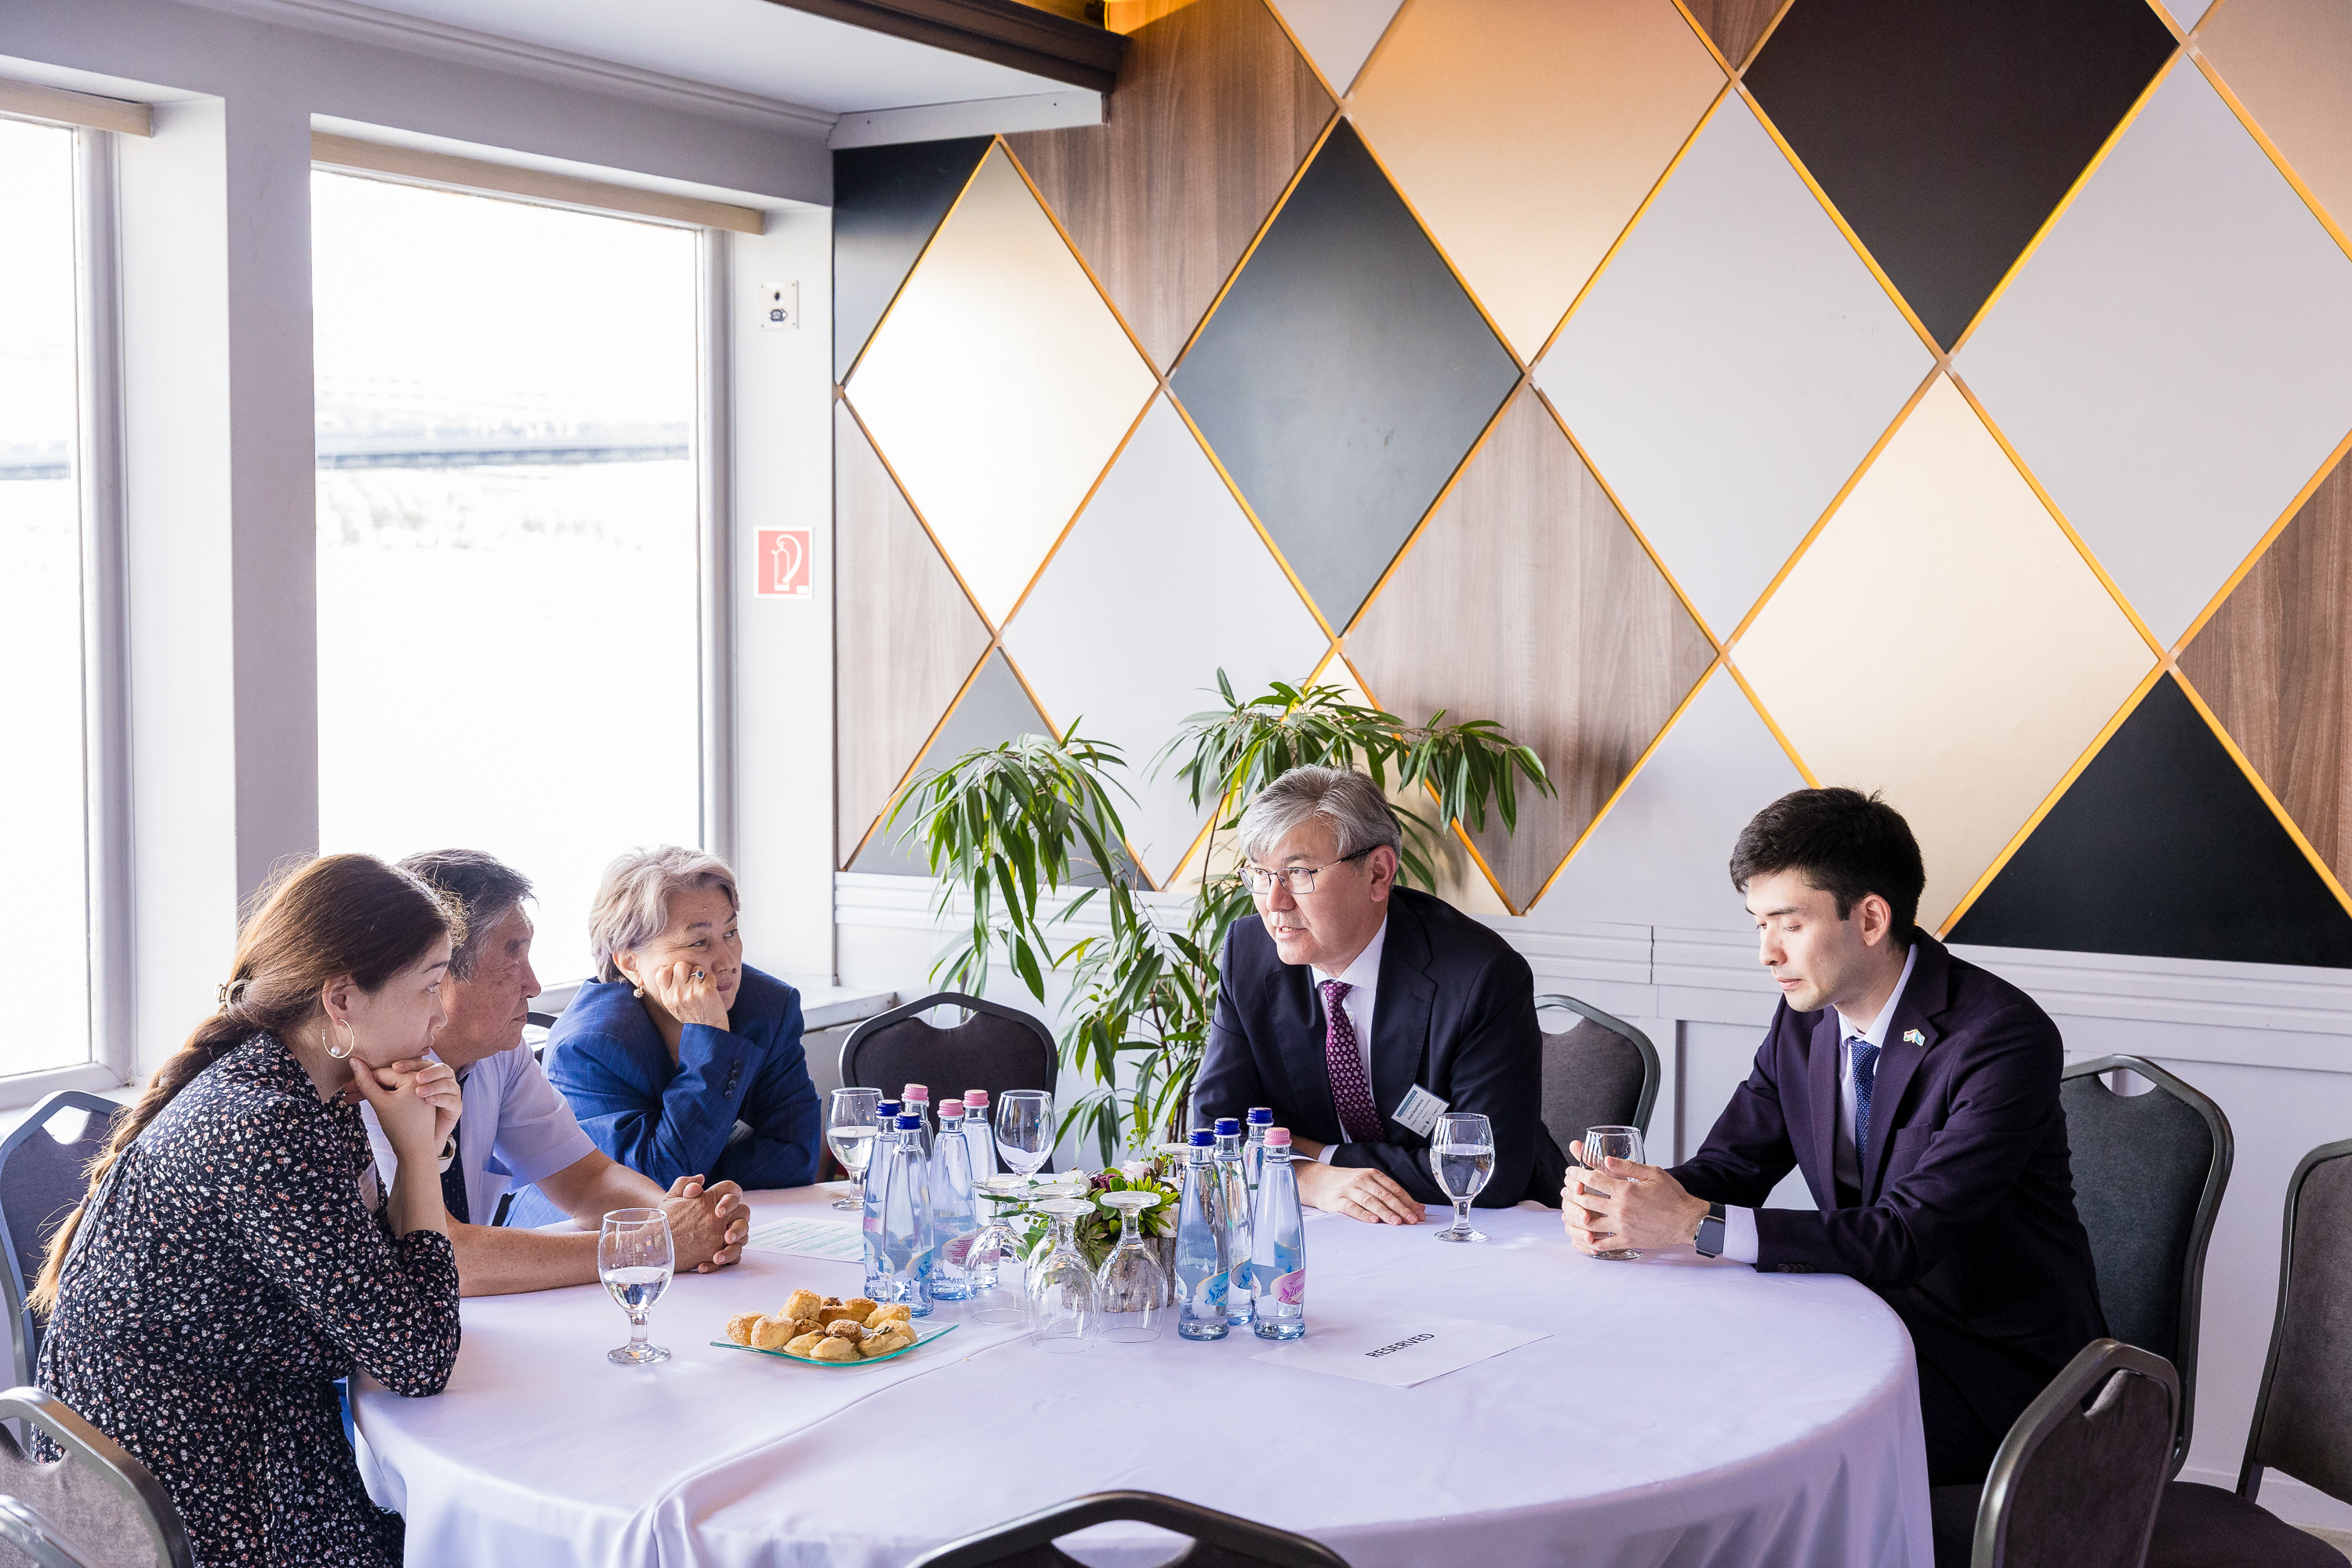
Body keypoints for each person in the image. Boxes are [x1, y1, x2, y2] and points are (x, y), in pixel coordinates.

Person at [1563, 787, 2105, 1486]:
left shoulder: (2000, 1037)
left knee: (1754, 1441)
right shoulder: (1805, 1019)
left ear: (1871, 918)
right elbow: (1732, 1165)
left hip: (1997, 1373)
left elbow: (1906, 1235)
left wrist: (1696, 1224)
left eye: (1788, 924)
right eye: (1758, 924)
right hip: (1856, 1322)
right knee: (1668, 1388)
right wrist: (1628, 1200)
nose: (1767, 953)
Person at [29, 854, 466, 1567]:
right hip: (183, 1499)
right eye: (428, 985)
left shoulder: (305, 1089)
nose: (441, 1014)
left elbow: (384, 1296)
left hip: (223, 1449)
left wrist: (422, 1147)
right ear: (341, 999)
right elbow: (416, 1359)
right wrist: (417, 1159)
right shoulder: (266, 1125)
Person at [356, 850, 749, 1294]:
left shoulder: (500, 1052)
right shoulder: (370, 1081)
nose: (534, 985)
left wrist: (677, 1216)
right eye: (513, 961)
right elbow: (446, 1258)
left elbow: (587, 1180)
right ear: (438, 972)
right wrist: (649, 1244)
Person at [1192, 765, 1565, 1223]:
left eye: (1299, 873)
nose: (1274, 902)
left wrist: (1324, 1156)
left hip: (1485, 1227)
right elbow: (1215, 1135)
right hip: (1332, 1221)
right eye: (1260, 874)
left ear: (1378, 873)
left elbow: (1485, 1170)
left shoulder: (1479, 975)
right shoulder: (1249, 955)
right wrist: (1308, 1178)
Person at [543, 846, 820, 1191]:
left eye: (730, 933)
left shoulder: (768, 1007)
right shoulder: (586, 1048)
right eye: (699, 942)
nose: (727, 962)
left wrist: (696, 1176)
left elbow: (797, 1158)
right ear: (630, 963)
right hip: (581, 1224)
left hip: (736, 1216)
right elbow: (651, 1187)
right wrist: (710, 1038)